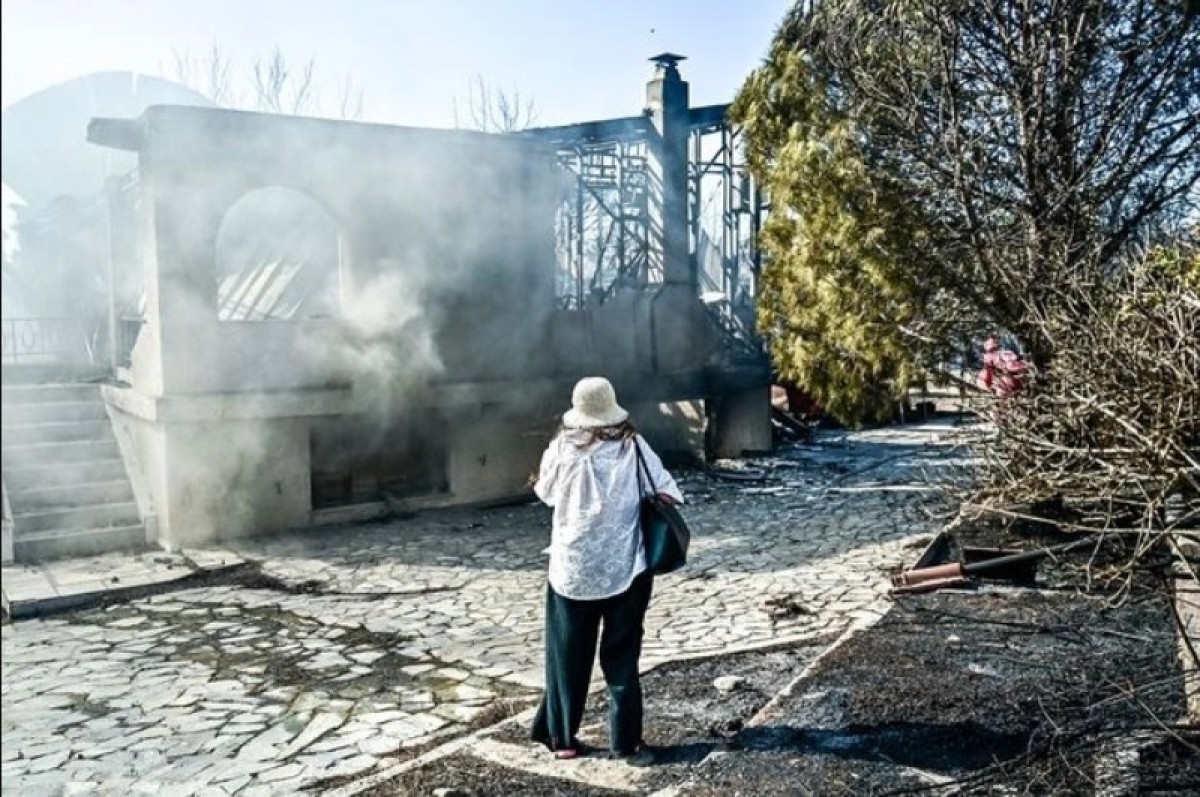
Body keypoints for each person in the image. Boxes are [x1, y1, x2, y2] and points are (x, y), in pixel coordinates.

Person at [530, 376, 684, 761]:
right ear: (612, 407)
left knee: (567, 655)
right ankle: (625, 741)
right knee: (621, 655)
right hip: (625, 567)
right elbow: (665, 489)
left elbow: (545, 493)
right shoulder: (633, 446)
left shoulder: (560, 449)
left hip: (572, 571)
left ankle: (563, 739)